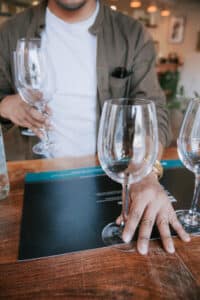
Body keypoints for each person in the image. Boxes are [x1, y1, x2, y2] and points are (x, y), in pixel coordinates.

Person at [0, 0, 190, 254]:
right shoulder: (10, 31)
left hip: (110, 179)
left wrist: (145, 171)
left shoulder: (132, 33)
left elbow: (154, 112)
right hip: (31, 181)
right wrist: (3, 105)